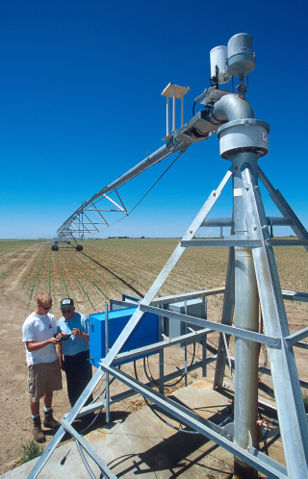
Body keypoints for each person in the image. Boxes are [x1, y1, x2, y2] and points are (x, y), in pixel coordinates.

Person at [22, 293, 62, 443]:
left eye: (50, 307)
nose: (48, 310)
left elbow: (54, 333)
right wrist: (48, 341)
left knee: (49, 389)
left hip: (51, 360)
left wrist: (58, 336)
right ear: (38, 305)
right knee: (35, 394)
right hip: (37, 363)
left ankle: (48, 417)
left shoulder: (51, 318)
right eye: (45, 308)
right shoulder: (30, 323)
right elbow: (30, 346)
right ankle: (36, 424)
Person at [57, 298, 93, 408]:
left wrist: (81, 334)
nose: (66, 314)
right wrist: (60, 360)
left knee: (84, 385)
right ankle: (75, 413)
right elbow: (59, 343)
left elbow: (92, 339)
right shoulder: (60, 322)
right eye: (64, 311)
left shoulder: (83, 318)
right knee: (72, 388)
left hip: (82, 357)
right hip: (69, 359)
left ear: (74, 309)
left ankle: (88, 413)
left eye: (69, 311)